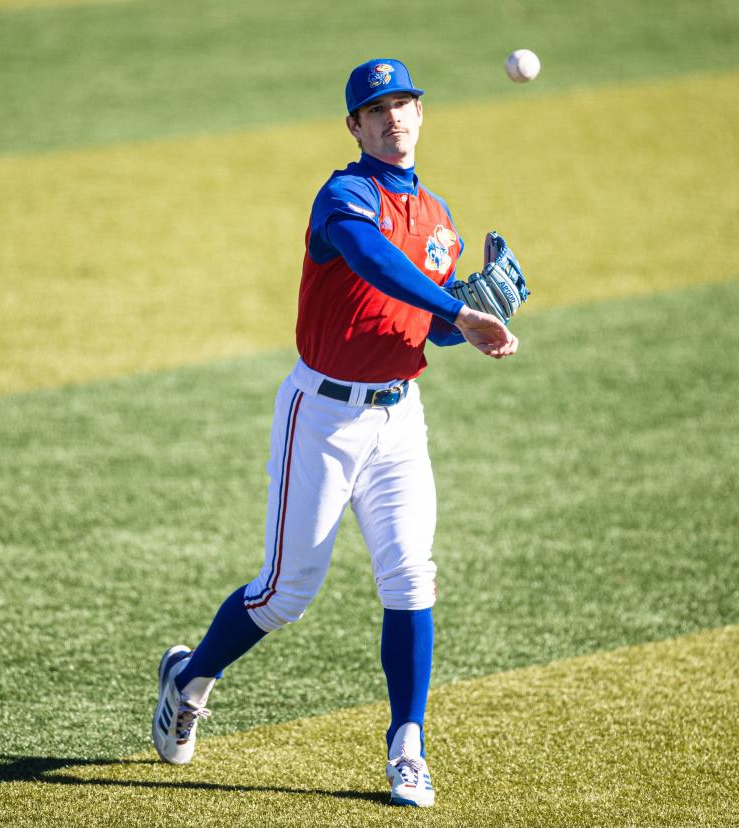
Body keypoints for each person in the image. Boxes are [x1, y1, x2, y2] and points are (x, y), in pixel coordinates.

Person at [152, 58, 519, 809]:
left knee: (411, 577)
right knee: (286, 594)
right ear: (355, 126)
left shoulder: (440, 219)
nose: (393, 118)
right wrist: (456, 311)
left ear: (420, 114)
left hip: (399, 421)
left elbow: (425, 321)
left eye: (404, 104)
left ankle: (407, 747)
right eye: (376, 109)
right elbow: (371, 261)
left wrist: (477, 317)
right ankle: (189, 681)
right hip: (319, 418)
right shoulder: (344, 194)